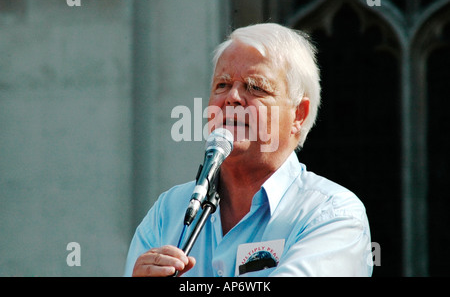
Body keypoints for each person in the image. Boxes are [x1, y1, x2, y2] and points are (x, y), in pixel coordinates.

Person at [124, 23, 372, 277]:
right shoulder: (168, 212)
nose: (232, 97)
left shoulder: (331, 214)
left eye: (255, 87)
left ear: (298, 114)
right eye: (222, 85)